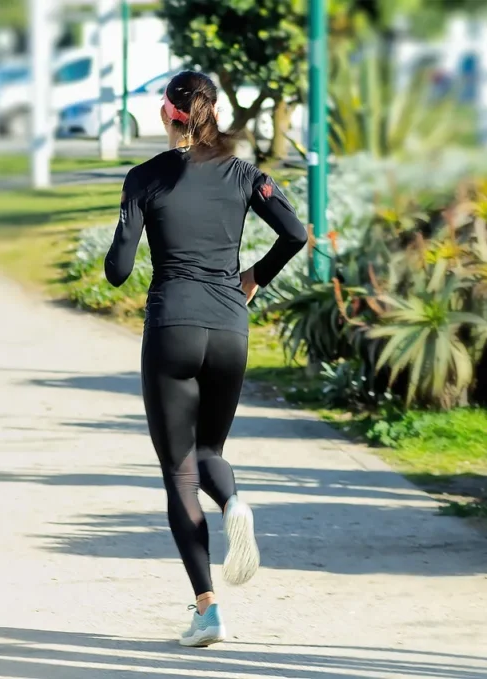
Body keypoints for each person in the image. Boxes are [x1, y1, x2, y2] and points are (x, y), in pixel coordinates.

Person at [103, 70, 308, 647]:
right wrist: (254, 278)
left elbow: (117, 271)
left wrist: (127, 216)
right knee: (211, 450)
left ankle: (207, 608)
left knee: (179, 472)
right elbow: (295, 232)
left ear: (169, 115)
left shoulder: (145, 178)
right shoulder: (246, 174)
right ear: (211, 113)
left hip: (172, 328)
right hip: (229, 329)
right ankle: (235, 502)